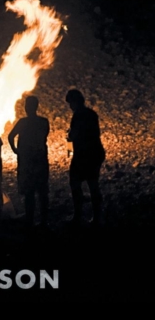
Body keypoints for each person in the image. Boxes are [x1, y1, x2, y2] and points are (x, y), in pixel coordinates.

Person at [8, 95, 49, 228]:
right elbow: (44, 136)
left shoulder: (23, 122)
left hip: (27, 161)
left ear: (27, 107)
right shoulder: (44, 122)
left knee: (29, 192)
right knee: (42, 192)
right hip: (40, 160)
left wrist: (15, 150)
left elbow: (10, 136)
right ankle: (44, 221)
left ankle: (30, 220)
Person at [65, 89, 105, 225]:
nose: (70, 106)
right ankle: (97, 217)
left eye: (70, 103)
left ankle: (78, 216)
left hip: (84, 155)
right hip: (96, 152)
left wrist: (69, 137)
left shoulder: (78, 115)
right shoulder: (92, 114)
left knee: (75, 183)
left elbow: (74, 135)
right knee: (93, 185)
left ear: (75, 102)